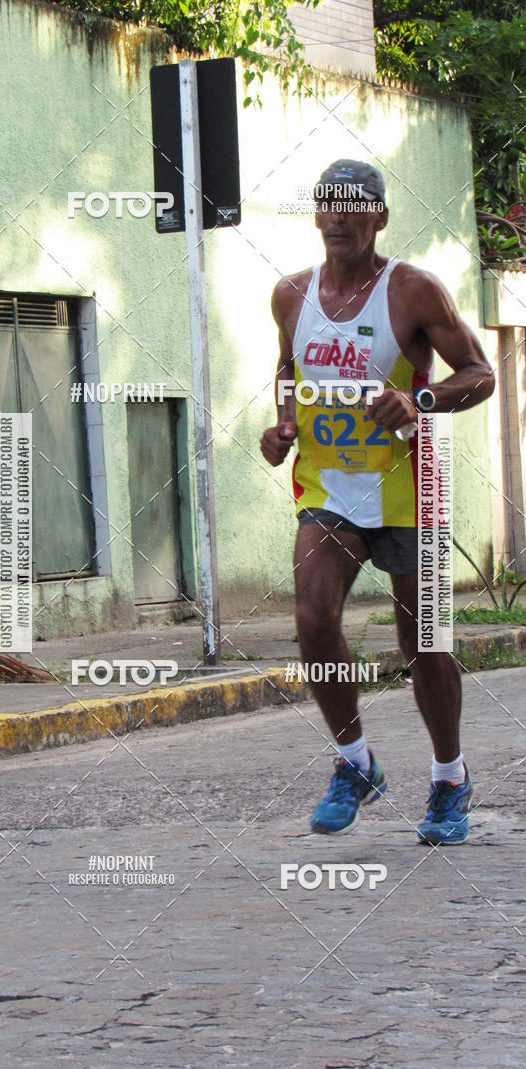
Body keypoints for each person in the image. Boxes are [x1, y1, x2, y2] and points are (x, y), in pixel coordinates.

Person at [260, 159, 495, 845]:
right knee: (311, 616)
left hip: (407, 488)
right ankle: (354, 761)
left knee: (422, 641)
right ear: (316, 216)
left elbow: (479, 373)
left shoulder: (414, 292)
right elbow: (287, 367)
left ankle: (449, 777)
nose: (339, 217)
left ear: (379, 218)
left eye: (354, 206)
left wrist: (418, 399)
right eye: (327, 205)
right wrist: (284, 424)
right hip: (329, 490)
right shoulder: (289, 296)